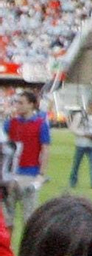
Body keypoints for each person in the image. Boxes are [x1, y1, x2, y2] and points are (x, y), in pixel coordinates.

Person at [6, 92, 51, 231]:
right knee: (7, 220)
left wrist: (41, 174)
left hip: (29, 174)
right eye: (16, 102)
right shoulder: (10, 123)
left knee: (29, 219)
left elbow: (45, 150)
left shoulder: (40, 124)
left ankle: (28, 251)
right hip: (9, 175)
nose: (17, 106)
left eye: (21, 103)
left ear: (31, 104)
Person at [66, 106, 92, 191]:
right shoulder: (80, 116)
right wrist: (84, 134)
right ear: (89, 106)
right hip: (81, 144)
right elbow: (73, 128)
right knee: (77, 164)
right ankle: (72, 181)